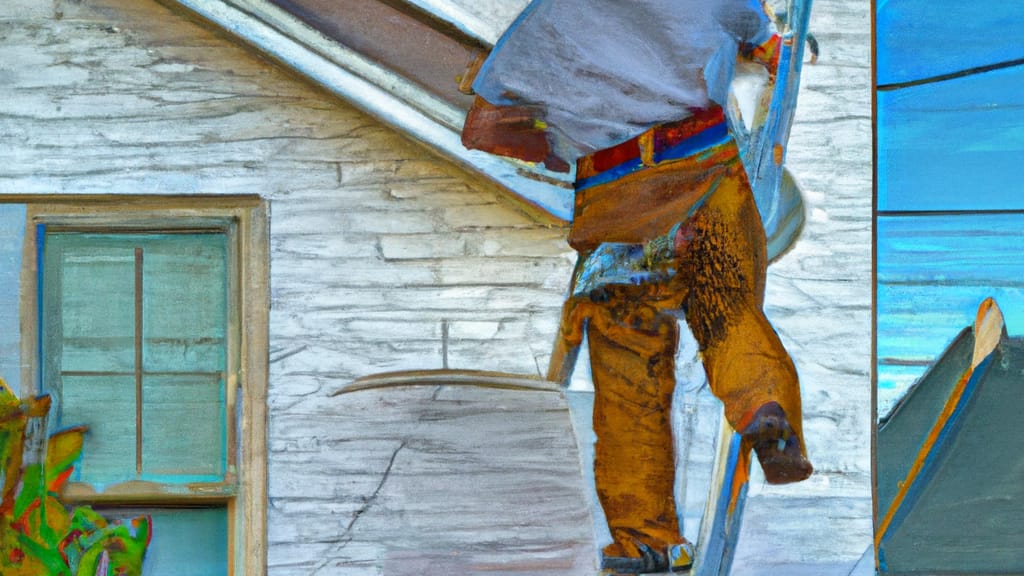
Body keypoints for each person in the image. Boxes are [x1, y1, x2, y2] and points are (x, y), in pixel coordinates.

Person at [460, 1, 813, 572]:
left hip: (614, 196)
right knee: (725, 313)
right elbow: (765, 46)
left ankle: (645, 543)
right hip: (700, 168)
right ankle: (764, 414)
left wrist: (554, 145)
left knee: (627, 378)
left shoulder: (546, 19)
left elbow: (484, 130)